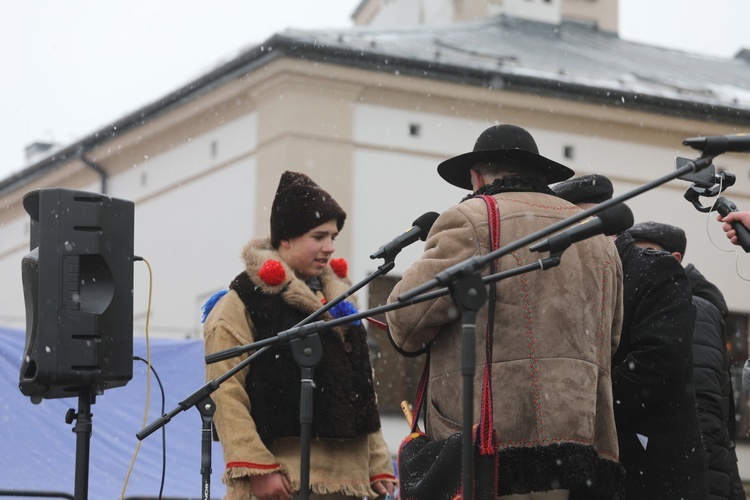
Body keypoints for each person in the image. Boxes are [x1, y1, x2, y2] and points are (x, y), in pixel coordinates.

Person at [386, 124, 625, 499]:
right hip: (582, 449)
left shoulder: (471, 218)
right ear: (540, 175)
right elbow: (611, 339)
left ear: (475, 176)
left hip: (491, 448)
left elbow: (405, 321)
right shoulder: (596, 235)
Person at [202, 171, 397, 500]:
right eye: (319, 236)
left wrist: (377, 461)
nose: (330, 248)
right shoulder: (242, 300)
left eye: (333, 237)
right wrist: (256, 468)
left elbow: (362, 389)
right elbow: (224, 391)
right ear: (285, 238)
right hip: (280, 479)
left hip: (348, 483)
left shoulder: (342, 302)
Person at [553, 174, 709, 499]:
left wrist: (584, 411)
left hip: (649, 468)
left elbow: (657, 362)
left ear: (598, 222)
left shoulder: (655, 270)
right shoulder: (570, 278)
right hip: (592, 468)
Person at [627, 221, 746, 500]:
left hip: (690, 477)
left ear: (675, 259)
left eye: (645, 254)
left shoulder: (690, 308)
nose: (633, 264)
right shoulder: (667, 304)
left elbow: (701, 409)